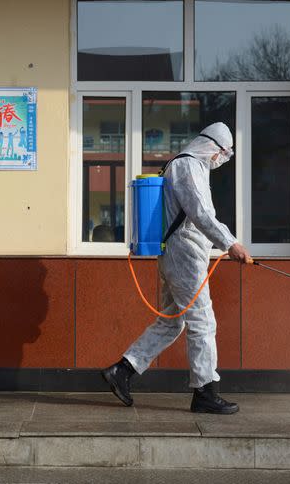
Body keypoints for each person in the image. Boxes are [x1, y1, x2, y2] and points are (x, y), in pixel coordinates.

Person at [102, 122, 251, 414]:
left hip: (182, 255)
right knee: (203, 323)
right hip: (184, 257)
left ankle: (122, 370)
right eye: (222, 153)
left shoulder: (190, 167)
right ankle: (205, 391)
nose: (221, 159)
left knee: (172, 322)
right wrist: (230, 243)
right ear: (211, 146)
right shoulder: (188, 167)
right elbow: (200, 212)